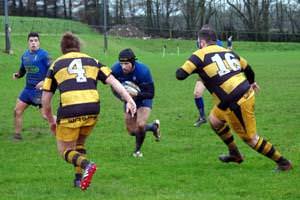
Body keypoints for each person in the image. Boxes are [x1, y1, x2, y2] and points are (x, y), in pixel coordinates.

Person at [176, 24, 292, 171]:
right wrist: (252, 82)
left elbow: (180, 75)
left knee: (251, 138)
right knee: (215, 120)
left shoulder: (198, 55)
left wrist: (197, 68)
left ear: (202, 42)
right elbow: (248, 69)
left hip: (235, 101)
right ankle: (234, 154)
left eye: (199, 42)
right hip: (237, 95)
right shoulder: (228, 51)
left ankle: (283, 163)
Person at [42, 32, 136, 190]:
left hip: (70, 110)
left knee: (64, 150)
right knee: (79, 144)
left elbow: (45, 100)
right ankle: (78, 179)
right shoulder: (93, 61)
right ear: (78, 46)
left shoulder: (56, 64)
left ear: (62, 48)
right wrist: (129, 99)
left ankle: (87, 166)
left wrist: (51, 120)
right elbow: (113, 81)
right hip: (92, 109)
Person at [111, 48, 161, 158]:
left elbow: (151, 93)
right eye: (121, 63)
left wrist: (136, 95)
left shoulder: (143, 71)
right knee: (132, 131)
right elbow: (113, 88)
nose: (123, 66)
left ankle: (137, 151)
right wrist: (124, 98)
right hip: (128, 99)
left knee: (141, 124)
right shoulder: (115, 70)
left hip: (143, 99)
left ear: (133, 62)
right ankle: (153, 127)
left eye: (126, 63)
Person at [12, 32, 51, 140]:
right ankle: (17, 136)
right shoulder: (25, 55)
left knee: (45, 116)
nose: (33, 43)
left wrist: (44, 81)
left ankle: (62, 125)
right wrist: (18, 75)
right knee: (17, 110)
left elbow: (52, 71)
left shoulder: (44, 55)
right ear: (28, 43)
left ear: (39, 42)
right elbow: (23, 70)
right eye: (31, 41)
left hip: (40, 91)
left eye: (36, 40)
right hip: (28, 90)